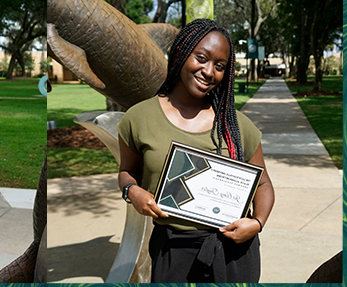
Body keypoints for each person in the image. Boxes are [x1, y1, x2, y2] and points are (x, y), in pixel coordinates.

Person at [117, 19, 274, 283]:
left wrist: (257, 223)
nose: (209, 71)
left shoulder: (236, 125)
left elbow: (264, 184)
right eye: (201, 58)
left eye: (220, 66)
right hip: (172, 250)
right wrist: (132, 192)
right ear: (181, 53)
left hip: (233, 253)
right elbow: (126, 171)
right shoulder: (139, 118)